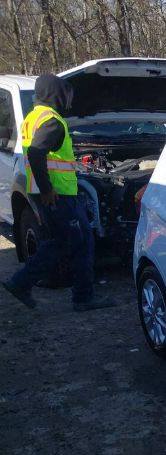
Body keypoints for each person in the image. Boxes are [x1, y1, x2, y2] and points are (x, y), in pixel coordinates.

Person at [3, 74, 114, 311]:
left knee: (60, 242)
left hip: (45, 191)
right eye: (66, 94)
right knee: (82, 241)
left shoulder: (33, 117)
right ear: (56, 94)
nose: (69, 99)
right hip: (57, 194)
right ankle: (83, 297)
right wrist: (48, 189)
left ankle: (21, 283)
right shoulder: (52, 121)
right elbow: (35, 153)